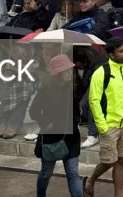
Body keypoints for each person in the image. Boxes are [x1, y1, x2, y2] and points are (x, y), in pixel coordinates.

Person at [85, 37, 123, 197]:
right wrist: (102, 126)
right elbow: (94, 101)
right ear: (111, 54)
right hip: (109, 125)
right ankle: (91, 179)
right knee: (109, 160)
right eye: (121, 51)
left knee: (120, 161)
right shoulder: (101, 72)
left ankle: (119, 195)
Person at [33, 54, 83, 197]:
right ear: (57, 73)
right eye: (66, 70)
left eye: (70, 70)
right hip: (51, 138)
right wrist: (45, 122)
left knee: (73, 173)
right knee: (46, 173)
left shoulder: (73, 88)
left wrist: (74, 119)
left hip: (71, 137)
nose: (69, 73)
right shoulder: (45, 89)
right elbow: (33, 111)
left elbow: (76, 113)